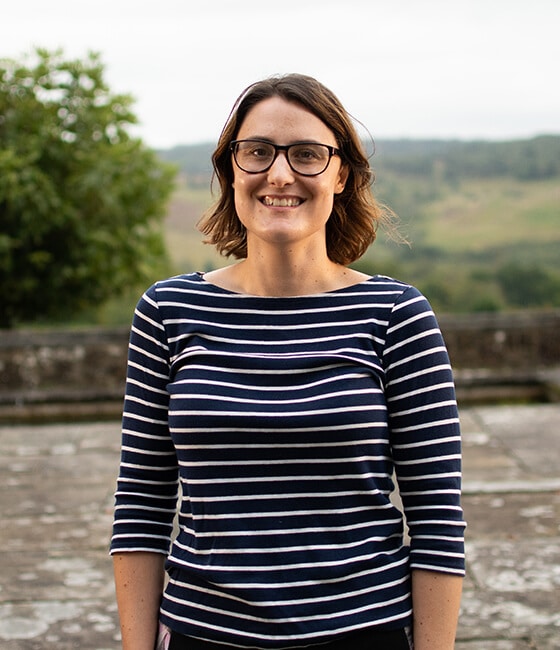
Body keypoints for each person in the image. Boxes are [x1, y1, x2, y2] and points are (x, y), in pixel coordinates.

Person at [111, 73, 466, 650]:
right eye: (257, 152)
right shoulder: (168, 311)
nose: (279, 174)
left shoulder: (396, 315)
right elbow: (140, 507)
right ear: (231, 169)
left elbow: (437, 520)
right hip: (206, 636)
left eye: (306, 154)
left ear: (341, 174)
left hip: (362, 635)